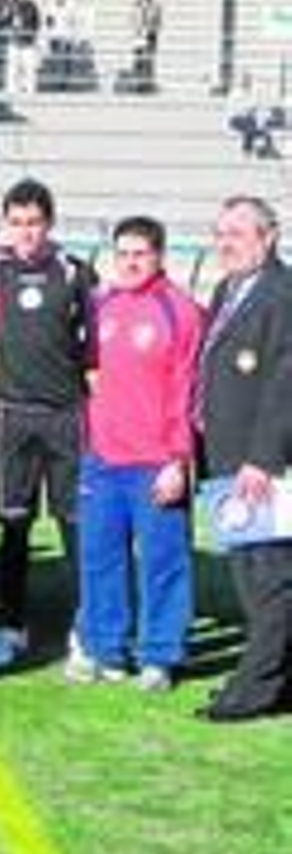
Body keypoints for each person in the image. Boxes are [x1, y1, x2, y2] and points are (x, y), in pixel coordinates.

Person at [73, 216, 201, 692]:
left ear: (160, 256)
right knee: (100, 557)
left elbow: (186, 392)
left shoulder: (179, 311)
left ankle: (160, 654)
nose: (130, 262)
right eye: (123, 253)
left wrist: (177, 459)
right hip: (103, 458)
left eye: (140, 253)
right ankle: (108, 648)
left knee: (163, 559)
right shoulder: (101, 305)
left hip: (155, 461)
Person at [0, 178, 96, 670]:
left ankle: (87, 628)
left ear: (49, 222)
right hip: (12, 414)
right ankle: (11, 626)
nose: (25, 232)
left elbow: (94, 347)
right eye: (16, 223)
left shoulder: (75, 272)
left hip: (66, 413)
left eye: (34, 222)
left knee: (75, 525)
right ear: (5, 224)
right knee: (13, 524)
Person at [195, 196, 292, 723]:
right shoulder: (228, 288)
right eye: (220, 233)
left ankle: (253, 690)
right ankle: (276, 680)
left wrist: (262, 457)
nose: (226, 243)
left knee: (268, 579)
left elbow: (285, 383)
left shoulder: (283, 293)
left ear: (268, 236)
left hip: (259, 464)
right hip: (225, 456)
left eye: (237, 233)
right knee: (250, 572)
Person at [129, 0, 162, 92]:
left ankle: (148, 84)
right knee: (139, 60)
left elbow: (158, 20)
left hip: (151, 35)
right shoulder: (138, 4)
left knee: (149, 61)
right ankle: (139, 84)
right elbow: (134, 19)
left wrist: (153, 26)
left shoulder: (156, 5)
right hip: (140, 35)